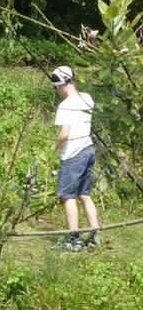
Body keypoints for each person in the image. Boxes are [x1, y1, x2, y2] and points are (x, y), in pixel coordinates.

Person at [50, 65, 100, 251]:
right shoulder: (87, 98)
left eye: (56, 87)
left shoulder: (65, 105)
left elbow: (64, 134)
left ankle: (74, 240)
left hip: (73, 154)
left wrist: (53, 151)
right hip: (88, 150)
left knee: (67, 196)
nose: (57, 91)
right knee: (84, 195)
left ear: (60, 84)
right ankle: (94, 237)